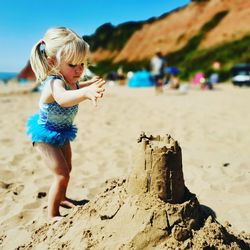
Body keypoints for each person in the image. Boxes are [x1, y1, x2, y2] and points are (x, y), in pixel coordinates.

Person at [26, 27, 106, 221]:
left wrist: (91, 84)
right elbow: (62, 98)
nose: (79, 70)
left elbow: (77, 87)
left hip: (62, 132)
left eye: (82, 64)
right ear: (53, 62)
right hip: (45, 136)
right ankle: (52, 214)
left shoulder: (72, 80)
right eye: (72, 65)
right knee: (61, 174)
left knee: (67, 169)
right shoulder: (55, 83)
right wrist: (86, 94)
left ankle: (62, 198)